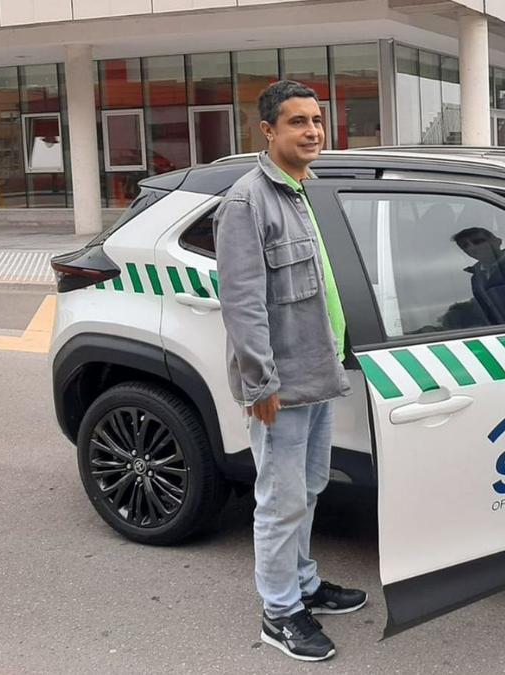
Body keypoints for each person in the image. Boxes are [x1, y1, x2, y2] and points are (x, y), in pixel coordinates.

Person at [215, 80, 367, 663]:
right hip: (280, 384)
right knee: (280, 501)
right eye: (298, 122)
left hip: (318, 371)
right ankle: (280, 612)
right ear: (269, 131)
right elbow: (243, 304)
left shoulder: (307, 190)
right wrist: (259, 385)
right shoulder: (247, 202)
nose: (312, 131)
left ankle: (304, 584)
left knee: (308, 488)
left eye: (317, 120)